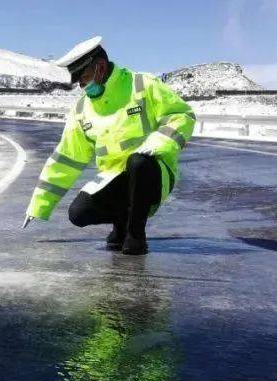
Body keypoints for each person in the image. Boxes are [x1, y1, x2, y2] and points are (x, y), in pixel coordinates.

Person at [21, 36, 195, 255]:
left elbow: (182, 115)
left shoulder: (141, 85)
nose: (83, 86)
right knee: (78, 213)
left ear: (100, 67)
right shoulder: (83, 109)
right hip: (115, 179)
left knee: (138, 163)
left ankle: (135, 234)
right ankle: (121, 224)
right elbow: (66, 158)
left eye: (84, 79)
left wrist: (158, 144)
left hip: (153, 174)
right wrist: (39, 204)